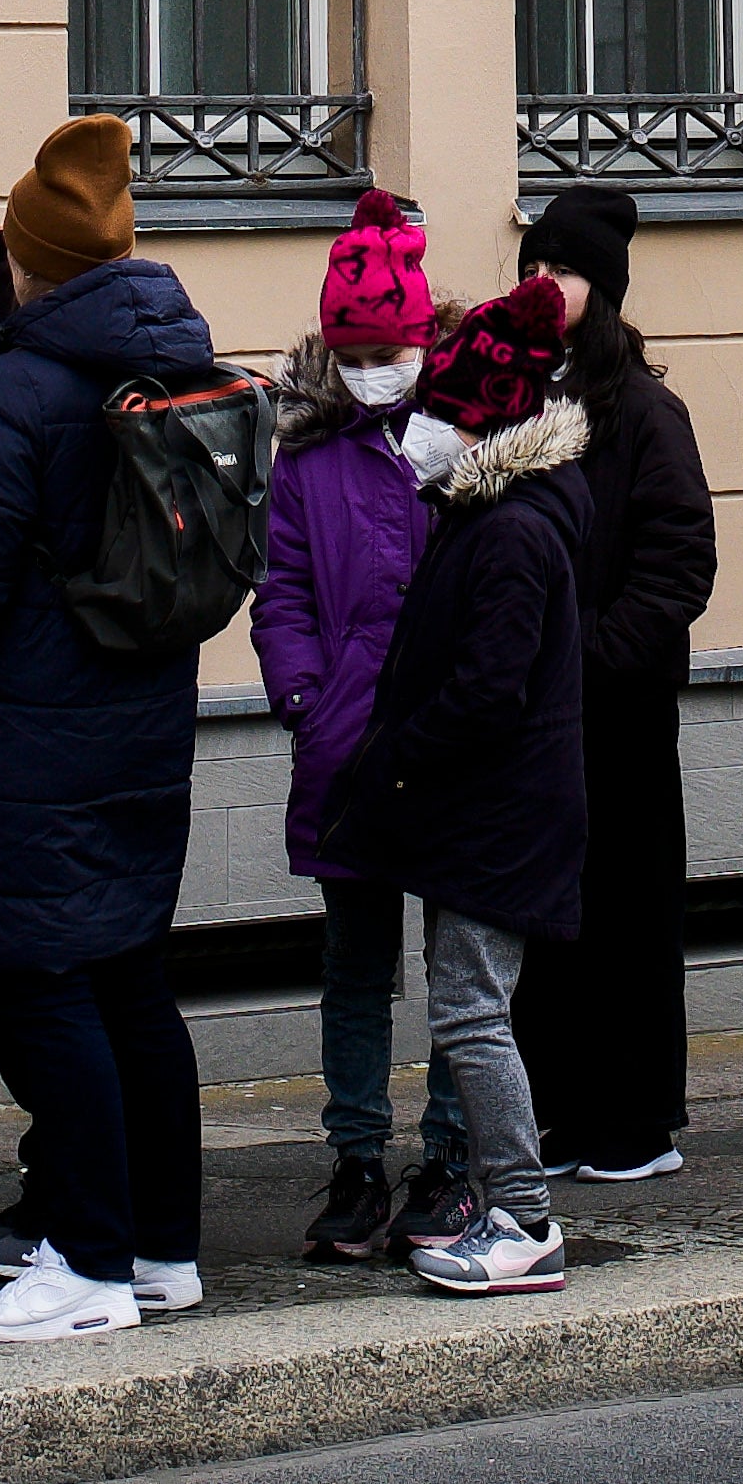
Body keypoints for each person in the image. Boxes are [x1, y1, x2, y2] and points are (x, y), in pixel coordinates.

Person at [0, 117, 233, 1340]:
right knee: (130, 986)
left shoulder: (20, 390)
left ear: (29, 265)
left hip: (25, 741)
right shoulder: (177, 365)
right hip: (141, 727)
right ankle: (159, 1249)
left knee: (41, 990)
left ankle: (84, 1264)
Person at [331, 274, 596, 1296]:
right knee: (470, 1010)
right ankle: (506, 1206)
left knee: (471, 1015)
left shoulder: (512, 531)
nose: (421, 429)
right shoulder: (489, 515)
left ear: (483, 422)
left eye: (441, 411)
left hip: (499, 818)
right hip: (491, 812)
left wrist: (399, 755)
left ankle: (524, 1219)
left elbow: (488, 690)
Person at [260, 191, 469, 1262]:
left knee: (458, 964)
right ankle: (354, 1161)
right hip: (343, 743)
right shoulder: (308, 453)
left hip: (449, 745)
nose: (373, 364)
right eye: (356, 350)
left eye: (390, 346)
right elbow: (282, 587)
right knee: (353, 965)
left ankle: (449, 1153)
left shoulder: (466, 439)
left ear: (423, 339)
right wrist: (300, 692)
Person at [516, 184, 716, 1185]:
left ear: (605, 285)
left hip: (619, 715)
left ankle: (632, 1120)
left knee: (628, 917)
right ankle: (551, 1112)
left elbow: (681, 562)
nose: (544, 286)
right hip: (530, 721)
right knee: (541, 920)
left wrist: (591, 653)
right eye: (533, 267)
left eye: (563, 269)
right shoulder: (511, 398)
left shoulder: (643, 410)